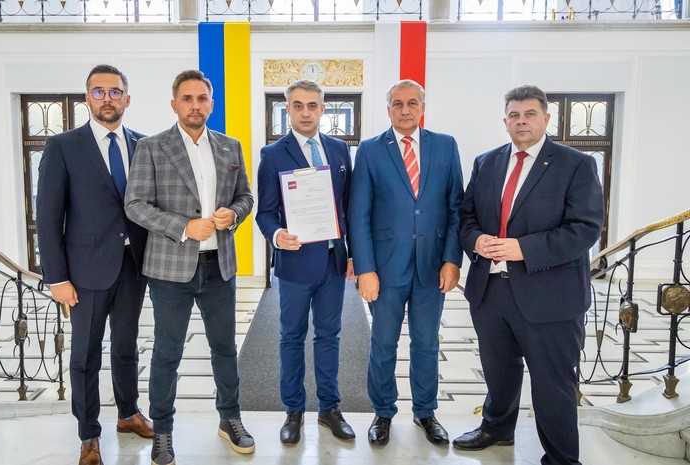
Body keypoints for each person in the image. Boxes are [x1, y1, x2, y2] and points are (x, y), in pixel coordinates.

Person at [454, 85, 604, 465]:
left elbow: (585, 228)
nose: (522, 121)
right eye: (514, 115)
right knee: (499, 372)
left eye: (530, 114)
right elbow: (466, 217)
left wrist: (523, 249)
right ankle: (496, 428)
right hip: (490, 292)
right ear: (505, 121)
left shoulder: (576, 164)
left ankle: (561, 457)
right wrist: (477, 240)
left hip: (549, 295)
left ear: (546, 118)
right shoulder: (487, 162)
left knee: (552, 383)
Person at [124, 69, 255, 465]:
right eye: (187, 99)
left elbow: (246, 197)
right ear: (174, 104)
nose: (195, 106)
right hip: (170, 271)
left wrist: (233, 214)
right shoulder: (151, 147)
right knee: (167, 353)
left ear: (211, 104)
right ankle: (163, 431)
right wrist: (184, 227)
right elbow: (135, 205)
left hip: (219, 267)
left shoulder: (230, 146)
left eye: (202, 98)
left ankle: (229, 418)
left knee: (224, 349)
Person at [36, 64, 154, 465]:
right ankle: (89, 434)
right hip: (84, 272)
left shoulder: (143, 145)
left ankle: (128, 413)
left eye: (115, 91)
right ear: (88, 97)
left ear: (127, 98)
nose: (107, 98)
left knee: (126, 347)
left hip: (134, 266)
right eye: (99, 91)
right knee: (85, 355)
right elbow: (47, 217)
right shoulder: (63, 146)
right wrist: (56, 277)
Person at [348, 79, 463, 447]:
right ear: (388, 109)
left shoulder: (445, 146)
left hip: (432, 266)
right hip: (385, 268)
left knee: (426, 344)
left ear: (423, 107)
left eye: (412, 103)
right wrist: (365, 268)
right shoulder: (370, 150)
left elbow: (456, 209)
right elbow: (358, 213)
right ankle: (382, 412)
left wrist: (452, 259)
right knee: (383, 344)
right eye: (397, 104)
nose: (405, 109)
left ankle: (425, 411)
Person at [255, 80, 355, 445]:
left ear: (323, 109)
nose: (305, 112)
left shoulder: (339, 150)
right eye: (297, 106)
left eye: (312, 105)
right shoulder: (273, 154)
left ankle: (329, 408)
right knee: (292, 337)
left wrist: (354, 253)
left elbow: (348, 207)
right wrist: (276, 234)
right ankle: (293, 410)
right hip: (296, 262)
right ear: (288, 110)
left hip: (333, 262)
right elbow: (265, 212)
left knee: (329, 335)